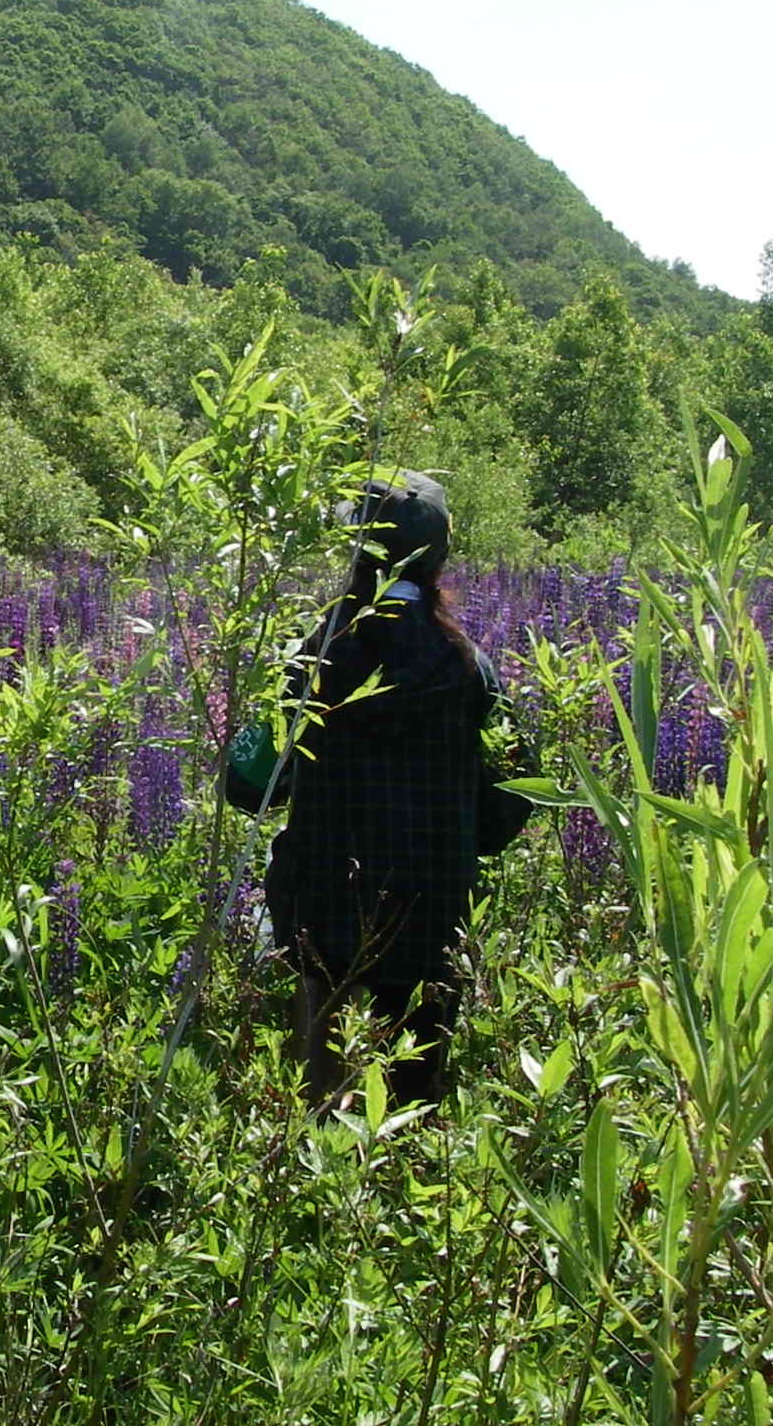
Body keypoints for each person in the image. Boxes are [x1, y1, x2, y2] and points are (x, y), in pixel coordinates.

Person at [226, 470, 531, 1108]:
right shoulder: (471, 670)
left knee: (317, 1088)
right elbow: (512, 804)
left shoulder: (311, 661)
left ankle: (308, 1193)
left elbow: (248, 788)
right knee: (413, 1093)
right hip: (430, 914)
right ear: (440, 559)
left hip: (321, 910)